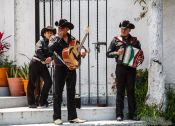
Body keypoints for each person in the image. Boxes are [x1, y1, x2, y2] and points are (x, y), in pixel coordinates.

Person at [49, 19, 87, 125]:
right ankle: (57, 117)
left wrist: (83, 51)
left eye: (62, 28)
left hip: (72, 68)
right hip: (60, 68)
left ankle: (73, 117)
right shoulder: (54, 38)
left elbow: (80, 47)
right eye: (59, 27)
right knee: (58, 93)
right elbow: (50, 50)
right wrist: (59, 39)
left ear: (67, 29)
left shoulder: (73, 39)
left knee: (71, 92)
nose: (59, 29)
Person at [106, 20, 144, 121]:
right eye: (122, 28)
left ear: (129, 29)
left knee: (131, 91)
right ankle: (119, 114)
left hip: (131, 69)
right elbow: (108, 54)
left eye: (125, 29)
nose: (123, 30)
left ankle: (133, 114)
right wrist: (117, 53)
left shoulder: (135, 41)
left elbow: (140, 55)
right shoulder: (116, 40)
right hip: (120, 68)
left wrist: (138, 60)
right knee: (120, 91)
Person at [27, 26, 56, 108]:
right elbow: (38, 51)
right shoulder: (41, 41)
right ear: (44, 34)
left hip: (43, 65)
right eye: (48, 33)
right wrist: (45, 59)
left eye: (51, 33)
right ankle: (31, 103)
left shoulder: (53, 43)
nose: (50, 34)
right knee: (32, 83)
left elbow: (54, 54)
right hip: (35, 63)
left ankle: (42, 101)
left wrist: (51, 58)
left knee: (48, 82)